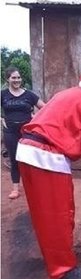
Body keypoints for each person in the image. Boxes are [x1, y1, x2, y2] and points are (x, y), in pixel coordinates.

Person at [16, 64, 81, 279]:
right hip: (47, 156)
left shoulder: (70, 94)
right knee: (59, 213)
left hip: (26, 151)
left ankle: (54, 257)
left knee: (44, 214)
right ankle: (62, 268)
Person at [1, 66, 45, 199]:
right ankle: (16, 189)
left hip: (27, 132)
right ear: (8, 79)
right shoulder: (3, 94)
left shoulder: (29, 95)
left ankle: (34, 187)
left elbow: (44, 107)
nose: (17, 80)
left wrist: (36, 118)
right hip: (10, 132)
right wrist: (1, 118)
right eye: (13, 77)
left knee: (30, 159)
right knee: (14, 159)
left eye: (18, 77)